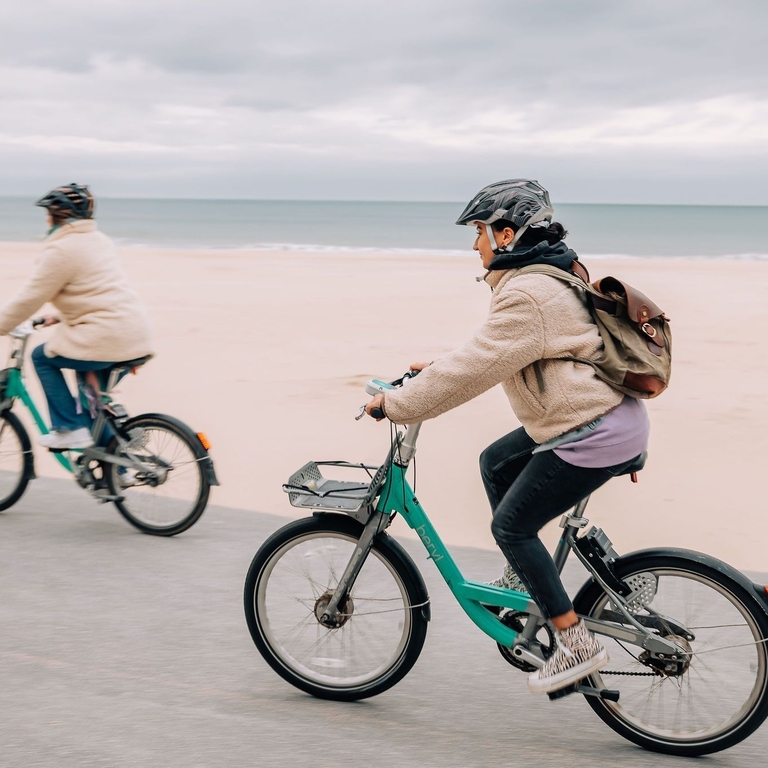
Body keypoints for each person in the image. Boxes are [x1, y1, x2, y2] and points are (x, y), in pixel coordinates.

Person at [365, 179, 650, 695]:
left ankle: (575, 644)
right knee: (496, 462)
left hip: (592, 429)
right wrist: (437, 366)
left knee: (512, 528)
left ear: (506, 233)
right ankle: (525, 581)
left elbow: (477, 367)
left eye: (478, 232)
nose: (474, 244)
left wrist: (398, 403)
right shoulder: (551, 276)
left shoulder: (528, 294)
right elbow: (496, 351)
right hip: (602, 417)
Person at [0, 184, 154, 450]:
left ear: (54, 216)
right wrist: (60, 315)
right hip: (133, 333)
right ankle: (118, 472)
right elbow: (97, 290)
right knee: (93, 405)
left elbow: (30, 297)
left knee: (41, 357)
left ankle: (68, 428)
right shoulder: (99, 240)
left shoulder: (61, 250)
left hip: (105, 337)